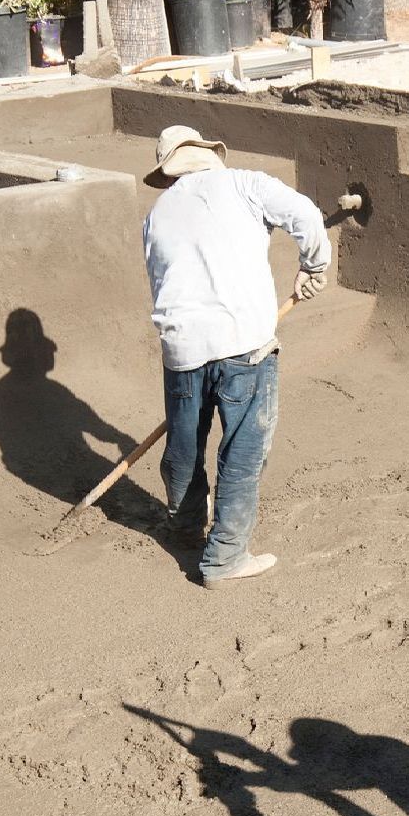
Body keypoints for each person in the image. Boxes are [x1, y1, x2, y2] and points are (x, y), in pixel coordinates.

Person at [141, 125, 331, 584]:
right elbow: (304, 213)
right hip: (244, 341)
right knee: (243, 450)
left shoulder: (158, 213)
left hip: (181, 346)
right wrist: (314, 264)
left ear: (168, 174)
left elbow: (160, 280)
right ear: (208, 156)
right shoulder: (246, 183)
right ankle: (225, 558)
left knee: (185, 448)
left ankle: (185, 527)